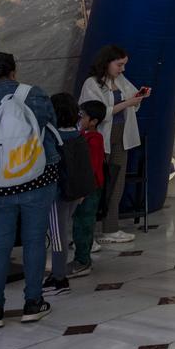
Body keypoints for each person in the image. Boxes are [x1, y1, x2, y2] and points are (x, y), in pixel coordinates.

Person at [0, 52, 61, 328]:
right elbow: (49, 127)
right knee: (33, 241)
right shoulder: (36, 94)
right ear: (14, 72)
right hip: (38, 180)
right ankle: (33, 303)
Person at [78, 45, 148, 243]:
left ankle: (111, 228)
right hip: (100, 140)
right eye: (119, 65)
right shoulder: (91, 84)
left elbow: (132, 98)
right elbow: (97, 113)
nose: (122, 69)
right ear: (107, 62)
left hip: (120, 138)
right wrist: (126, 103)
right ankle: (86, 235)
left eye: (124, 65)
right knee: (94, 186)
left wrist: (137, 98)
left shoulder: (120, 80)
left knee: (116, 184)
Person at [44, 92, 85, 296]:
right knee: (63, 231)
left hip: (57, 194)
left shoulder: (52, 137)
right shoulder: (78, 135)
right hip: (76, 192)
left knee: (58, 236)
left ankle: (59, 279)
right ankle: (58, 275)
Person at [70, 100, 107, 280]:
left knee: (84, 224)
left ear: (93, 121)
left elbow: (91, 167)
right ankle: (80, 258)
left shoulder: (94, 139)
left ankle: (83, 260)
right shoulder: (83, 135)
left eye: (83, 116)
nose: (80, 118)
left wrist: (83, 191)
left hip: (89, 189)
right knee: (78, 223)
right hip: (84, 188)